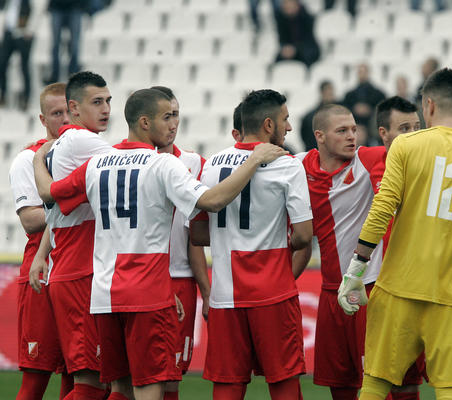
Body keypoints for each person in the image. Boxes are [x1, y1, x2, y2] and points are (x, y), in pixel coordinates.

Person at [32, 88, 287, 400]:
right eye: (167, 117)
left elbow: (49, 193)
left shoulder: (97, 164)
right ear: (144, 122)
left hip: (104, 295)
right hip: (147, 295)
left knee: (119, 389)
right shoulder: (163, 164)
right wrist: (254, 159)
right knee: (150, 389)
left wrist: (38, 159)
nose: (173, 124)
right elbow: (212, 201)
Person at [338, 68, 452, 400]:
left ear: (427, 105)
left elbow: (382, 209)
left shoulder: (405, 145)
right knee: (450, 392)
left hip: (398, 289)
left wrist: (356, 269)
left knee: (374, 386)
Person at [295, 100, 424, 400]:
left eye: (354, 129)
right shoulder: (299, 166)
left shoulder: (368, 159)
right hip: (331, 293)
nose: (352, 136)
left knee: (388, 384)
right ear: (320, 136)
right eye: (342, 131)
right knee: (340, 386)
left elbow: (412, 154)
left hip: (371, 289)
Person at [201, 89, 313, 400]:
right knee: (284, 381)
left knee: (228, 384)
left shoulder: (211, 164)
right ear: (268, 125)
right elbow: (304, 235)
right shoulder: (287, 164)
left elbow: (196, 234)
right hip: (272, 292)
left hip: (225, 294)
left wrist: (230, 235)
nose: (289, 127)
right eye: (285, 119)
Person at [28, 71, 113, 400]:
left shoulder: (66, 144)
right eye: (97, 102)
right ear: (74, 108)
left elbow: (56, 206)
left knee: (104, 383)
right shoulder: (82, 141)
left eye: (108, 101)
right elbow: (132, 167)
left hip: (75, 267)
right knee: (91, 385)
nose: (106, 109)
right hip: (80, 271)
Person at [9, 83, 73, 400]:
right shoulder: (28, 159)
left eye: (68, 111)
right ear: (42, 119)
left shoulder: (90, 154)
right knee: (36, 379)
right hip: (42, 271)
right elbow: (30, 220)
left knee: (81, 376)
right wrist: (71, 202)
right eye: (56, 113)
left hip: (78, 270)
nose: (64, 119)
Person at [152, 86, 211, 400]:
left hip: (179, 279)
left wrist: (206, 291)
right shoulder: (124, 161)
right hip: (136, 280)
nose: (173, 123)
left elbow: (195, 237)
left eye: (175, 115)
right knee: (129, 377)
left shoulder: (194, 163)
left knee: (172, 378)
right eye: (166, 116)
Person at [0, 0, 34, 110]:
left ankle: (26, 97)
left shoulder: (26, 2)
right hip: (8, 33)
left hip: (23, 34)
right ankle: (3, 94)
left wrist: (30, 30)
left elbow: (35, 12)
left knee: (24, 66)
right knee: (2, 63)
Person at [342, 63, 386, 145]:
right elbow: (344, 111)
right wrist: (354, 110)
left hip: (372, 129)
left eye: (364, 72)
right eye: (360, 72)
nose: (362, 74)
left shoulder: (379, 94)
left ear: (368, 73)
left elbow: (383, 111)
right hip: (355, 126)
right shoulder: (349, 95)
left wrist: (370, 110)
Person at [46, 0, 84, 83]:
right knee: (55, 44)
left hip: (75, 7)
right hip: (56, 7)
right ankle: (55, 75)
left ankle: (73, 74)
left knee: (75, 44)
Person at [275, 0, 321, 67]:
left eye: (290, 5)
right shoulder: (281, 19)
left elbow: (308, 40)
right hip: (290, 49)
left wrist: (295, 48)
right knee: (279, 58)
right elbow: (282, 39)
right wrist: (286, 47)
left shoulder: (307, 18)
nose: (287, 7)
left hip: (307, 49)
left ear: (297, 5)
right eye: (285, 5)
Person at [300, 80, 336, 151]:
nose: (330, 95)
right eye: (328, 92)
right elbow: (305, 136)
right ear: (322, 93)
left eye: (331, 92)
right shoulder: (310, 117)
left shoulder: (342, 113)